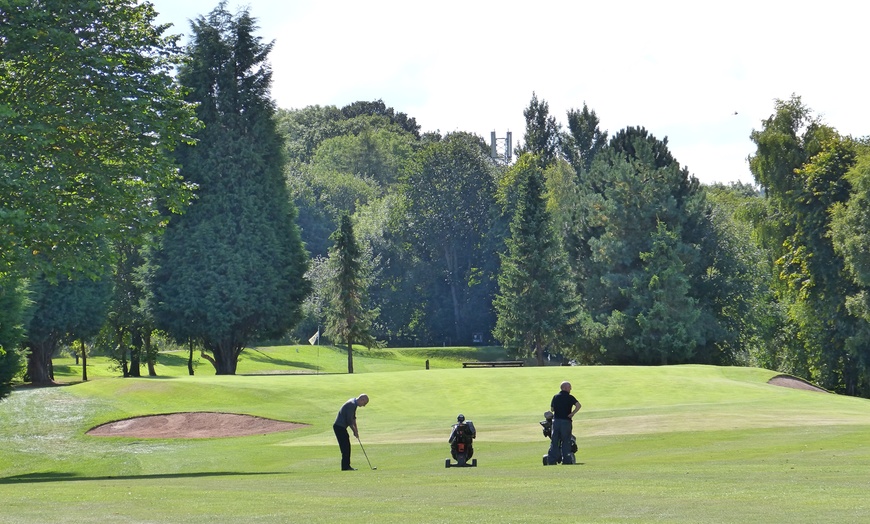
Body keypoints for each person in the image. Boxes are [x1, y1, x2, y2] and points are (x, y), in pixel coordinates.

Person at [547, 381, 581, 465]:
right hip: (566, 421)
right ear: (565, 388)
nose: (570, 389)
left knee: (555, 440)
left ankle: (552, 460)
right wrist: (572, 413)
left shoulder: (555, 397)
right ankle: (566, 460)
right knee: (566, 440)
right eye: (569, 387)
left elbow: (552, 409)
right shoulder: (570, 397)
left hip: (556, 421)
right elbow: (578, 405)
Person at [333, 394, 369, 471]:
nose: (364, 405)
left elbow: (353, 418)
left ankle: (346, 466)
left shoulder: (354, 403)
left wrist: (356, 430)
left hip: (341, 427)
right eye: (364, 403)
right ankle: (345, 467)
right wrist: (354, 431)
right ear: (362, 399)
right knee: (345, 447)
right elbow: (349, 421)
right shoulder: (351, 404)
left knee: (346, 446)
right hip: (339, 427)